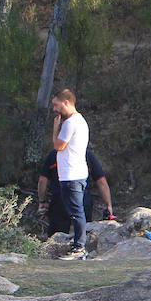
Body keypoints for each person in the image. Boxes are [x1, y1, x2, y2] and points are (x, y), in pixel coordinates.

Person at [38, 148, 116, 234]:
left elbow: (42, 180)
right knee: (84, 233)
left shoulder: (54, 155)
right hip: (83, 199)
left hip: (59, 200)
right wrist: (108, 205)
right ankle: (81, 245)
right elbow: (101, 182)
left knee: (56, 237)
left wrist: (42, 201)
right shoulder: (86, 155)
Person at [51, 89, 89, 259]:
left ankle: (79, 247)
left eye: (56, 105)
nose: (54, 109)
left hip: (72, 174)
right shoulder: (80, 121)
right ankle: (77, 244)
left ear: (66, 102)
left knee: (76, 211)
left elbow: (58, 145)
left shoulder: (70, 123)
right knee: (75, 210)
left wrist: (55, 129)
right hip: (75, 172)